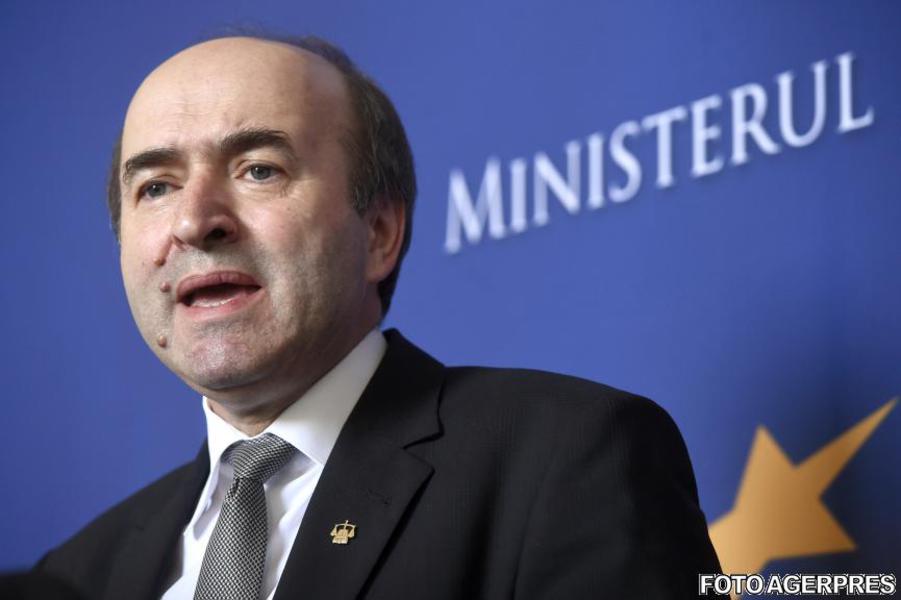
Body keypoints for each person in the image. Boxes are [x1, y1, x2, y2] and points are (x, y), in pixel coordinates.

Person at [35, 34, 722, 599]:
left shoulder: (568, 457)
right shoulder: (78, 575)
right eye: (156, 186)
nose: (194, 221)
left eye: (259, 170)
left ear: (380, 233)